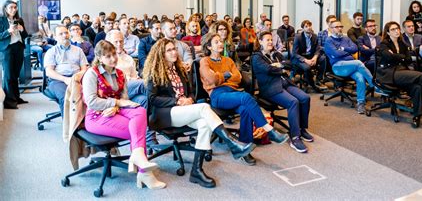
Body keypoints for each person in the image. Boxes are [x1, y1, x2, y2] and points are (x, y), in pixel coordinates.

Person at [143, 39, 255, 187]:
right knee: (203, 107)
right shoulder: (155, 72)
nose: (174, 52)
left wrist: (189, 99)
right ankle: (233, 144)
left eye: (174, 49)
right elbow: (153, 99)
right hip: (164, 115)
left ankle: (196, 171)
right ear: (161, 54)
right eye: (169, 50)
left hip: (183, 110)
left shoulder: (180, 69)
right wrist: (177, 101)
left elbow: (191, 92)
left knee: (205, 124)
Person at [82, 41, 165, 189]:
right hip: (96, 116)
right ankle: (144, 173)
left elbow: (124, 99)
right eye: (108, 56)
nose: (113, 58)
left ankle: (140, 161)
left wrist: (116, 106)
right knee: (138, 130)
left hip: (115, 110)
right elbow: (92, 102)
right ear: (100, 58)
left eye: (114, 54)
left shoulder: (119, 73)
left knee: (140, 110)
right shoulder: (91, 74)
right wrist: (116, 103)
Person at [199, 33, 289, 166]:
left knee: (246, 109)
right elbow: (211, 79)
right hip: (217, 95)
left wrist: (220, 77)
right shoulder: (205, 61)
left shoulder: (228, 60)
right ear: (209, 46)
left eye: (220, 41)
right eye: (216, 42)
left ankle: (243, 149)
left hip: (232, 93)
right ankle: (268, 130)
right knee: (247, 97)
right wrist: (225, 75)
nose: (220, 44)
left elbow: (238, 78)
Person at [377, 22, 422, 128]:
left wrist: (397, 56)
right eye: (393, 29)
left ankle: (416, 116)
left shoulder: (402, 43)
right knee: (420, 76)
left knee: (417, 87)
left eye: (397, 28)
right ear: (388, 32)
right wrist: (401, 57)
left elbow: (409, 58)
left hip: (401, 72)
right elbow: (389, 57)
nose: (396, 31)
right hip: (389, 74)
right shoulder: (384, 44)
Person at [253, 31, 312, 153]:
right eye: (267, 40)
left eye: (271, 40)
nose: (270, 42)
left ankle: (302, 129)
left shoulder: (275, 55)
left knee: (305, 98)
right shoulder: (256, 57)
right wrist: (281, 69)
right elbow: (268, 69)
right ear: (260, 42)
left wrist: (280, 64)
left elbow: (291, 64)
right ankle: (295, 137)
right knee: (293, 102)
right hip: (270, 88)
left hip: (285, 83)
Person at [324, 20, 374, 114]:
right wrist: (347, 52)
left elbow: (355, 49)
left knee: (360, 77)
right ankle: (374, 85)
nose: (340, 28)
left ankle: (360, 103)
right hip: (338, 67)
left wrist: (344, 49)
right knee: (359, 63)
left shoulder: (346, 38)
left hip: (351, 65)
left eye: (341, 26)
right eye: (337, 27)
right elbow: (336, 53)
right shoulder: (328, 41)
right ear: (331, 29)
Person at [44, 25, 88, 116]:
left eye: (66, 33)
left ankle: (84, 122)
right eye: (61, 34)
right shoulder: (51, 52)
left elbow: (84, 68)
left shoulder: (78, 50)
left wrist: (79, 75)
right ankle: (70, 128)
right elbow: (49, 72)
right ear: (55, 37)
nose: (65, 35)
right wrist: (65, 79)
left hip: (77, 78)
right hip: (58, 81)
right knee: (66, 97)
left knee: (89, 94)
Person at [0, 0, 29, 109]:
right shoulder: (1, 20)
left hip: (19, 47)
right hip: (6, 49)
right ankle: (9, 101)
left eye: (15, 7)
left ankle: (16, 98)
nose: (14, 9)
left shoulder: (19, 20)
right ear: (5, 8)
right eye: (11, 7)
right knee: (8, 75)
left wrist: (22, 30)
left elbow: (25, 35)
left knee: (15, 75)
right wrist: (8, 31)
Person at [291, 20, 326, 92]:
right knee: (307, 67)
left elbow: (318, 49)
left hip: (311, 56)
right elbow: (294, 53)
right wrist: (306, 60)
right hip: (300, 58)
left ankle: (319, 80)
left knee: (323, 58)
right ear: (303, 28)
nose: (308, 28)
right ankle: (313, 85)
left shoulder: (314, 36)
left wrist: (315, 57)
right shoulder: (298, 37)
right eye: (306, 26)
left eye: (309, 26)